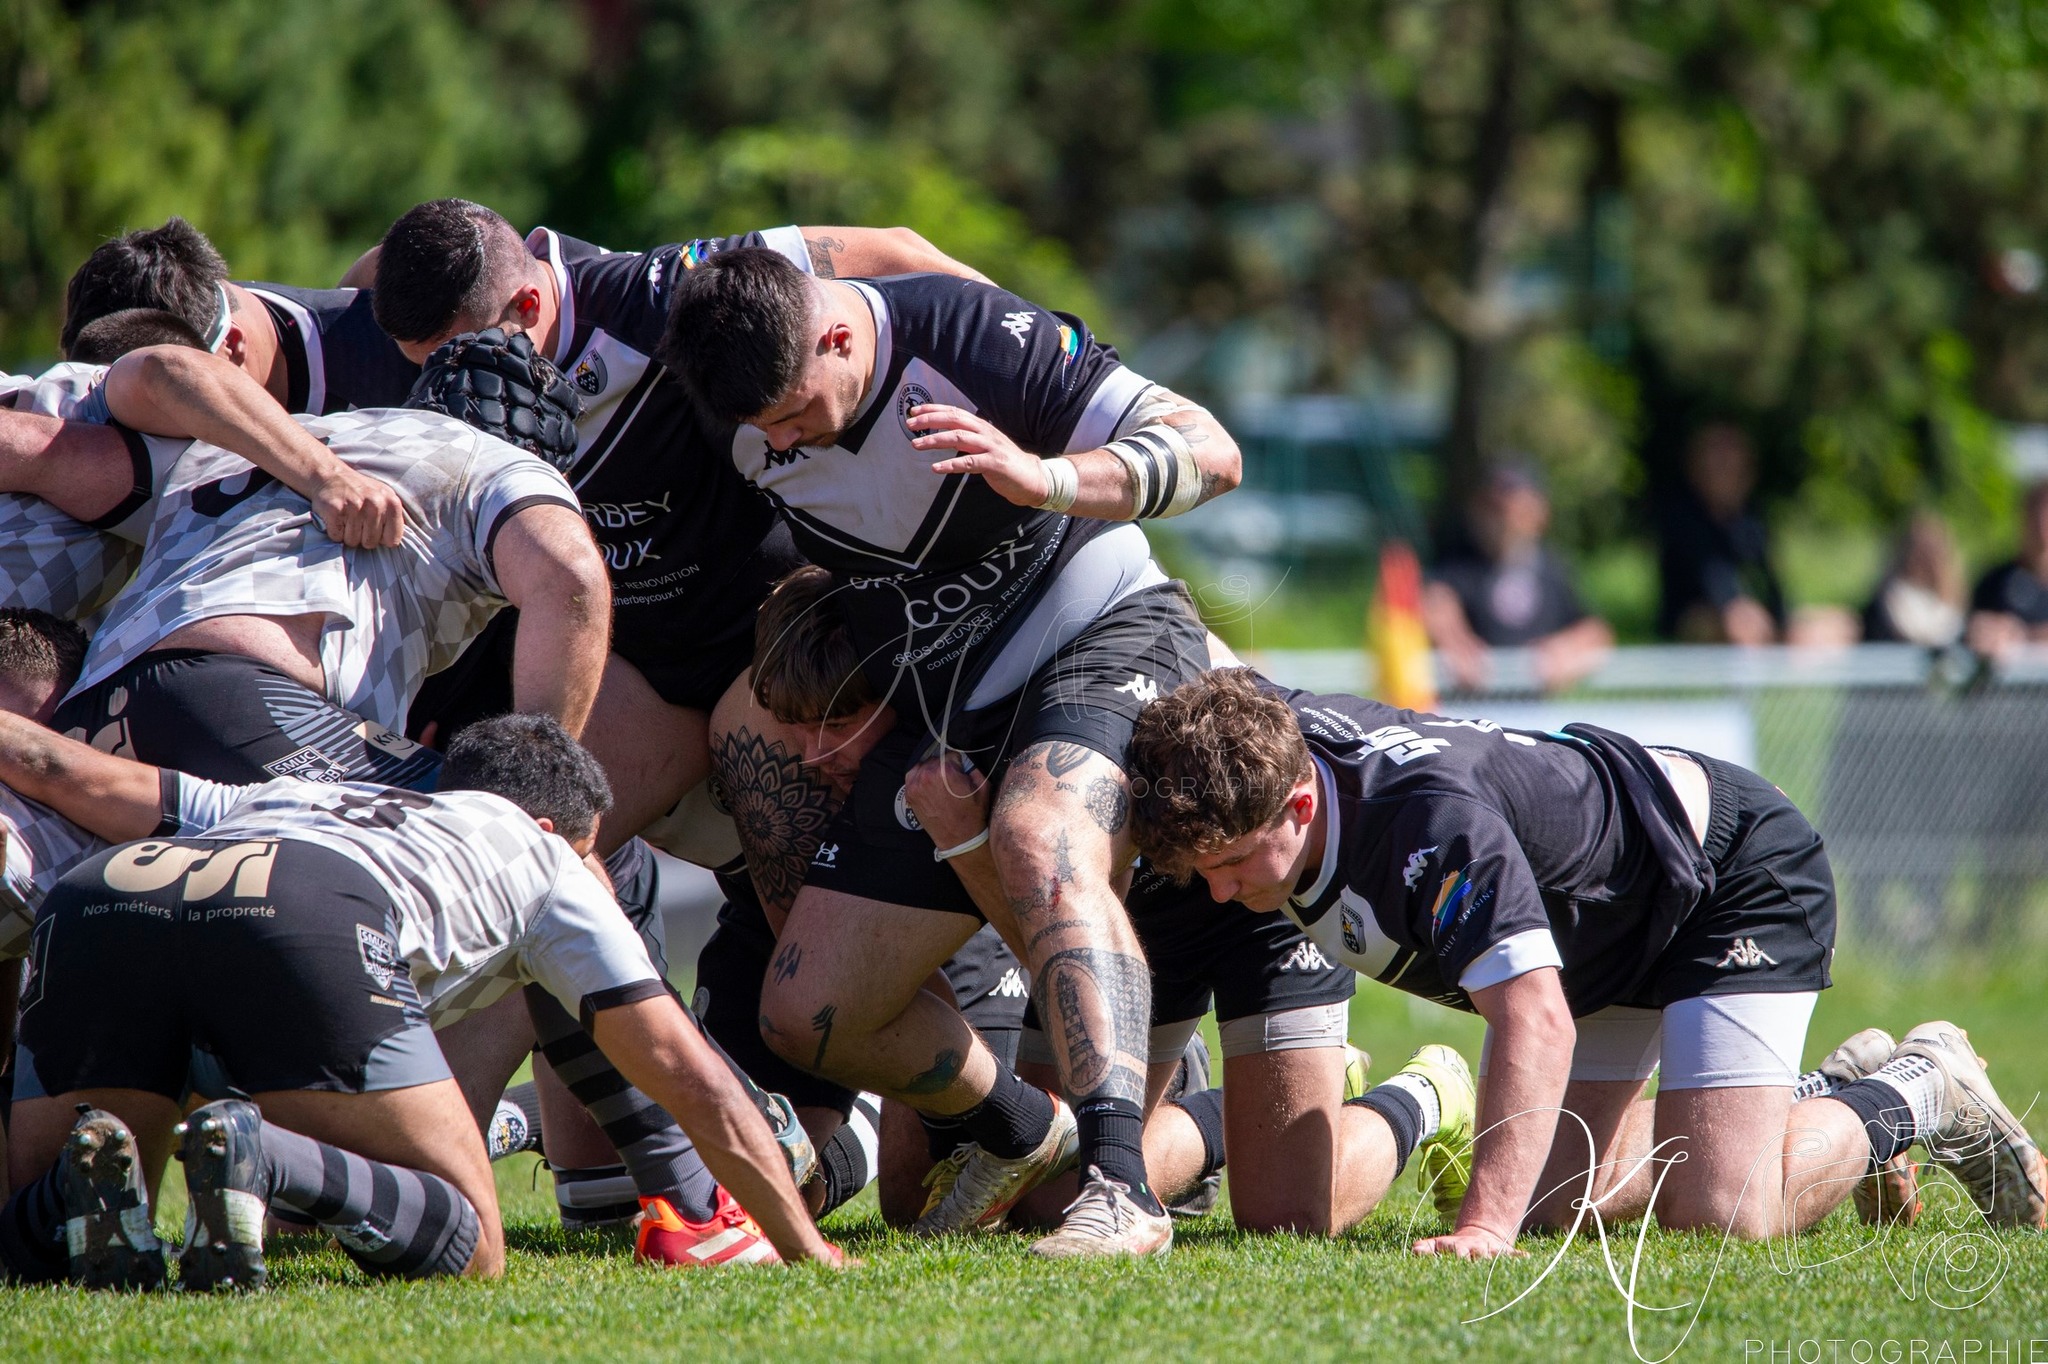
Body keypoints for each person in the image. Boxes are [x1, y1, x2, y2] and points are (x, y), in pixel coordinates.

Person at [667, 247, 1242, 1256]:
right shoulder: (738, 386)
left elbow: (1214, 451)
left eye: (793, 412)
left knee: (1037, 833)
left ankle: (1122, 1189)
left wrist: (1046, 478)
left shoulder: (971, 339)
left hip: (1099, 630)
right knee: (809, 1012)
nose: (780, 440)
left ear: (836, 336)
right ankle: (1024, 1127)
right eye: (762, 427)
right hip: (946, 704)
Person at [1121, 669, 2046, 1253]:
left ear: (1299, 805)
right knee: (1555, 1202)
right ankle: (1812, 1096)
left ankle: (1922, 1088)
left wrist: (1484, 1230)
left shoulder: (1428, 830)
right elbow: (1216, 680)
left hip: (1726, 878)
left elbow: (1535, 1019)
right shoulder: (1265, 737)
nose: (1218, 893)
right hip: (1602, 932)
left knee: (1721, 1214)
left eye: (1233, 864)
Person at [0, 711, 843, 1289]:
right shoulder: (545, 858)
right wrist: (808, 1249)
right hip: (304, 906)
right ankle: (263, 1156)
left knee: (55, 1234)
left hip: (103, 896)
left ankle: (74, 1191)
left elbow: (57, 767)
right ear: (560, 833)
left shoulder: (299, 791)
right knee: (476, 1246)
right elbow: (688, 1074)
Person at [367, 199, 988, 858]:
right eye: (425, 364)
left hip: (759, 632)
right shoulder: (407, 322)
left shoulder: (653, 293)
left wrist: (1026, 363)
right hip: (636, 666)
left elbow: (895, 250)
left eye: (462, 354)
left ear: (527, 304)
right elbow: (351, 284)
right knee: (520, 846)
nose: (448, 381)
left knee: (785, 832)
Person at [51, 330, 606, 791]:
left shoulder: (288, 433)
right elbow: (571, 577)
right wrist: (540, 783)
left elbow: (163, 368)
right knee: (506, 832)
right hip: (246, 701)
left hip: (93, 712)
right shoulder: (498, 466)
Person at [61, 216, 423, 415]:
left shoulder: (412, 354)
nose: (141, 423)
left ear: (233, 346)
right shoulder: (207, 309)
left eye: (163, 392)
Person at [1423, 464, 1612, 693]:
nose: (1504, 520)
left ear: (1540, 511)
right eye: (1494, 509)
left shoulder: (1552, 569)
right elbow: (1434, 601)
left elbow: (1595, 630)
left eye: (1515, 509)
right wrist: (1453, 639)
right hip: (1470, 707)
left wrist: (1565, 649)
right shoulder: (1459, 564)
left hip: (1532, 709)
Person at [1656, 423, 1785, 644]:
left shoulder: (1753, 522)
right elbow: (1716, 582)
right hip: (1701, 621)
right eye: (1719, 464)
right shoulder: (1683, 520)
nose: (1726, 469)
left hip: (1756, 619)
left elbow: (1771, 590)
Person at [1967, 481, 2048, 660]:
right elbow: (1972, 632)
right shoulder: (1996, 583)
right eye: (2036, 517)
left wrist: (2025, 635)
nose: (2042, 528)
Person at [1863, 511, 1965, 647]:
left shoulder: (1957, 606)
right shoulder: (1882, 607)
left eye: (1931, 550)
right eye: (1919, 551)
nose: (1925, 558)